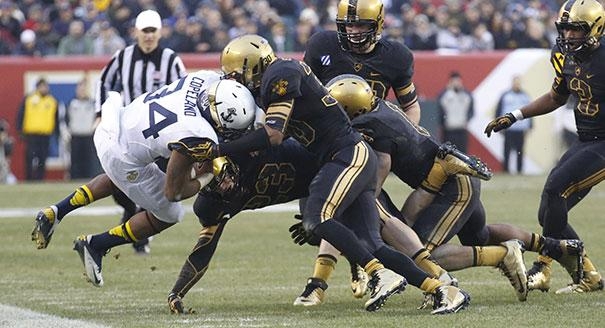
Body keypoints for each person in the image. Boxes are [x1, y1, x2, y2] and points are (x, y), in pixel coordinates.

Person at [216, 34, 470, 314]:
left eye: (236, 74)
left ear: (254, 64)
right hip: (346, 157)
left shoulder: (281, 72)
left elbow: (273, 135)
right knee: (372, 242)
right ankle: (444, 290)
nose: (235, 81)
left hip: (348, 155)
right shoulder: (274, 81)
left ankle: (376, 272)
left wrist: (217, 150)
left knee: (318, 217)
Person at [305, 74, 583, 304]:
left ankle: (503, 255)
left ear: (354, 111)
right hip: (454, 178)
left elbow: (373, 190)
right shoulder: (380, 108)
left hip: (452, 186)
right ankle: (553, 246)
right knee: (481, 234)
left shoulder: (373, 129)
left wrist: (339, 209)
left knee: (418, 251)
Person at [71, 73, 257, 288]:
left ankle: (64, 214)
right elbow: (174, 192)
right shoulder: (199, 132)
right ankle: (97, 244)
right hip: (121, 156)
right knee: (171, 212)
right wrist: (208, 175)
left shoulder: (204, 79)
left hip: (114, 120)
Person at [32, 9, 187, 255]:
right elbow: (104, 82)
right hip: (130, 130)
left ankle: (73, 216)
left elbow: (182, 91)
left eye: (152, 31)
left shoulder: (170, 59)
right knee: (139, 192)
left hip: (159, 135)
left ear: (160, 33)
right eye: (144, 31)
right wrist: (100, 114)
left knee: (139, 186)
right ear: (136, 32)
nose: (148, 36)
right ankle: (125, 228)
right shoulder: (123, 57)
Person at [484, 0, 605, 294]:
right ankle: (588, 274)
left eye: (575, 30)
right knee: (549, 210)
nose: (568, 36)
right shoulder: (564, 55)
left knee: (555, 188)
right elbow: (556, 97)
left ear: (596, 29)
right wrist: (516, 115)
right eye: (564, 30)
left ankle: (543, 266)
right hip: (586, 138)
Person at [303, 0, 422, 124]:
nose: (354, 31)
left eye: (361, 25)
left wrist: (405, 137)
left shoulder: (395, 56)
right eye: (349, 25)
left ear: (377, 25)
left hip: (372, 134)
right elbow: (303, 96)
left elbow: (410, 107)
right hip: (327, 130)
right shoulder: (322, 45)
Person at [16, 78, 59, 181]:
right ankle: (29, 178)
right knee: (30, 157)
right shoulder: (29, 99)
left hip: (45, 134)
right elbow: (21, 115)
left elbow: (55, 118)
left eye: (45, 86)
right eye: (42, 86)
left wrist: (56, 132)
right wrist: (20, 130)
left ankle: (40, 178)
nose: (44, 88)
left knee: (42, 158)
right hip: (32, 134)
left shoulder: (52, 101)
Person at [64, 79, 101, 179]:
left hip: (88, 135)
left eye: (84, 89)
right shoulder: (72, 103)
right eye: (80, 89)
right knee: (76, 160)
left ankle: (87, 178)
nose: (82, 91)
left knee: (88, 160)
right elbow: (67, 119)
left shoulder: (93, 104)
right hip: (76, 135)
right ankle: (75, 178)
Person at [495, 76, 532, 174]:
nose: (517, 85)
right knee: (507, 151)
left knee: (520, 151)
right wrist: (498, 125)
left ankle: (519, 170)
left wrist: (530, 126)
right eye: (515, 83)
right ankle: (506, 170)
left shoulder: (525, 96)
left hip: (521, 129)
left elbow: (530, 112)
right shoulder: (505, 95)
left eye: (518, 83)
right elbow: (498, 111)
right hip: (508, 128)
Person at [437, 71, 474, 153]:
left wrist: (467, 120)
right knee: (448, 155)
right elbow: (439, 108)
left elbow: (471, 110)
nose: (456, 84)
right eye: (454, 81)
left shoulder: (466, 95)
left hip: (462, 130)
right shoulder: (445, 95)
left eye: (458, 81)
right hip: (449, 130)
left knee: (463, 154)